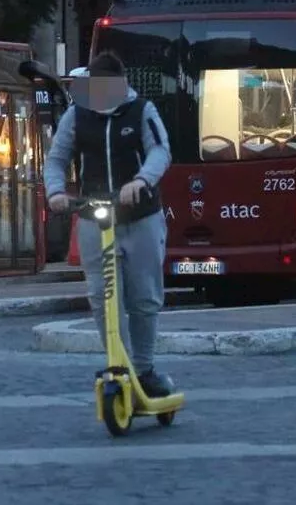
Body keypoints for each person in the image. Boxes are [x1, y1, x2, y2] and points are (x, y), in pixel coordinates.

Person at [40, 51, 175, 397]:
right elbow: (56, 158)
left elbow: (161, 151)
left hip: (140, 215)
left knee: (144, 297)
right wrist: (55, 192)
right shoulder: (77, 115)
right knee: (102, 296)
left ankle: (144, 369)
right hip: (94, 218)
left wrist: (142, 181)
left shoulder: (142, 110)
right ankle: (120, 363)